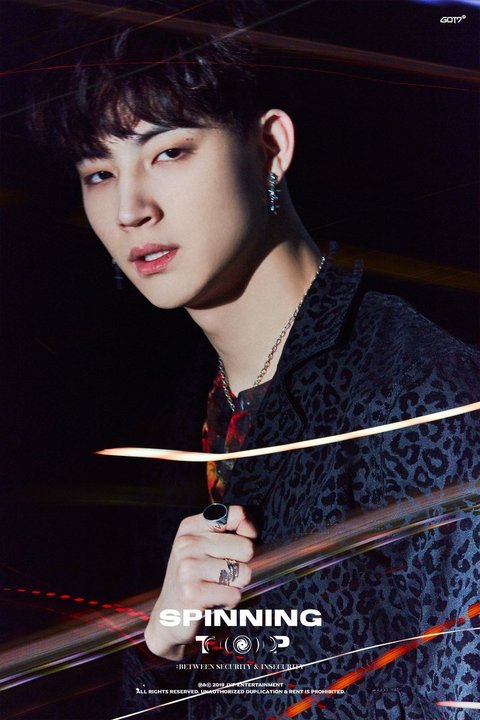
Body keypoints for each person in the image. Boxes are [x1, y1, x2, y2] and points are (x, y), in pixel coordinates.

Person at [29, 2, 479, 718]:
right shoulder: (197, 412)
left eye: (168, 152)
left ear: (270, 147)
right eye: (98, 173)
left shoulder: (418, 393)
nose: (130, 209)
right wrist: (164, 648)